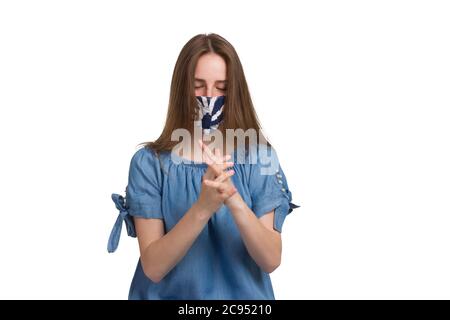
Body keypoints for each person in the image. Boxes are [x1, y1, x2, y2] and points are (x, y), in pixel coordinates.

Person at [107, 33, 300, 300]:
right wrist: (203, 207)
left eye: (222, 87)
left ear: (235, 91)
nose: (210, 97)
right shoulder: (149, 164)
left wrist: (232, 199)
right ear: (181, 89)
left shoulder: (260, 158)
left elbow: (270, 259)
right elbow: (153, 267)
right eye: (198, 85)